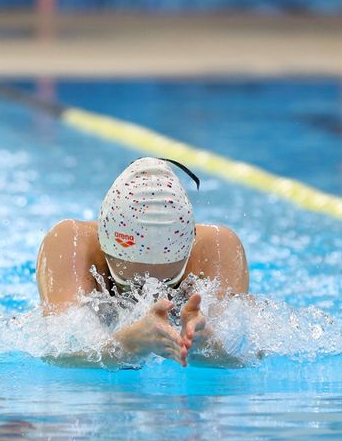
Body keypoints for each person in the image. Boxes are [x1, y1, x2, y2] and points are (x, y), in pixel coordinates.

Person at [36, 157, 248, 368]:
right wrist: (124, 346)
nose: (151, 294)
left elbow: (235, 357)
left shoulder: (218, 250)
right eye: (131, 286)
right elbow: (61, 354)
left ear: (190, 246)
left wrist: (206, 345)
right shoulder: (70, 244)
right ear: (102, 242)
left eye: (170, 282)